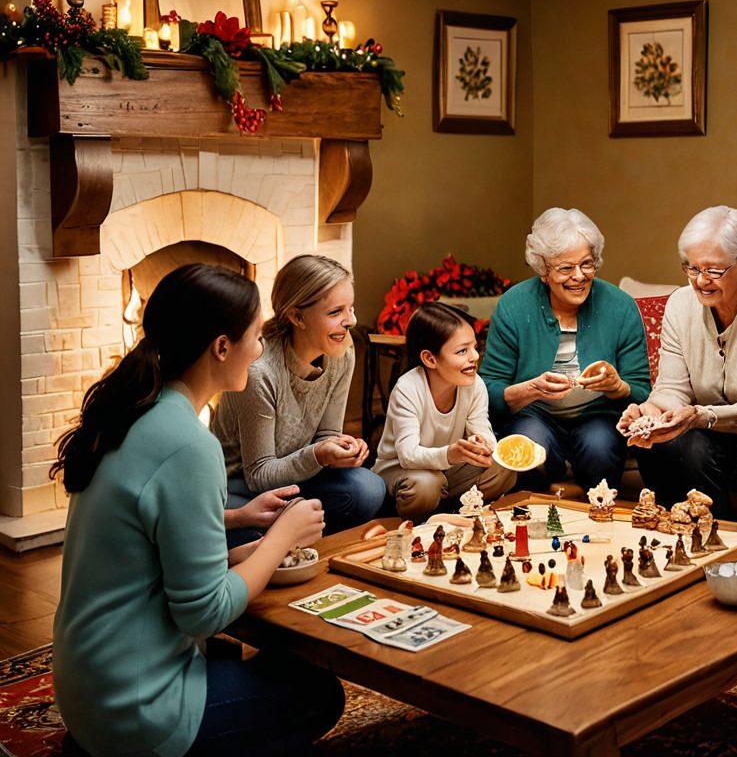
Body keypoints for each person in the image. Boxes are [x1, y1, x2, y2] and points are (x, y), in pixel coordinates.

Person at [51, 264, 343, 757]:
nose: (259, 349)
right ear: (221, 347)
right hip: (136, 711)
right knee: (319, 694)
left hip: (87, 689)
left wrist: (237, 523)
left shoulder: (135, 409)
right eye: (254, 336)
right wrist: (280, 539)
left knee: (250, 661)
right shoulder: (189, 444)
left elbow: (144, 540)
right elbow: (205, 613)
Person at [617, 206, 737, 514]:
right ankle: (676, 533)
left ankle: (720, 539)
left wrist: (701, 416)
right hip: (703, 433)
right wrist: (650, 413)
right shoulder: (680, 305)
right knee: (654, 444)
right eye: (692, 268)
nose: (700, 281)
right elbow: (672, 389)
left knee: (697, 446)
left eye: (713, 271)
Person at [212, 254, 385, 544]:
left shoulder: (341, 351)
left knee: (370, 489)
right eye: (335, 312)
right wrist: (319, 454)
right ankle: (288, 532)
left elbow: (326, 434)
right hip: (242, 486)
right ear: (296, 316)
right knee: (235, 529)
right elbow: (258, 474)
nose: (351, 321)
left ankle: (289, 533)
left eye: (351, 308)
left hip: (298, 477)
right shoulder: (260, 372)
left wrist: (339, 448)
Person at [480, 207, 651, 491]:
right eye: (565, 268)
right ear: (544, 271)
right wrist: (530, 389)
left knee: (600, 447)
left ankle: (598, 519)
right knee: (528, 446)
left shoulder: (620, 307)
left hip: (598, 415)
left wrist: (617, 386)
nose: (579, 276)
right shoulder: (514, 305)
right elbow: (489, 391)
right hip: (533, 414)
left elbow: (643, 392)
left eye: (587, 264)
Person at [373, 302, 516, 520]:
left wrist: (484, 445)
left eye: (474, 347)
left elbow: (481, 426)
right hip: (404, 470)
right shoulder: (408, 388)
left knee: (505, 466)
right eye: (462, 351)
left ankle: (449, 512)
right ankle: (416, 515)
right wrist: (450, 454)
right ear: (430, 359)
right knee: (427, 485)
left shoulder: (474, 384)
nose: (474, 357)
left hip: (447, 468)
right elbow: (408, 455)